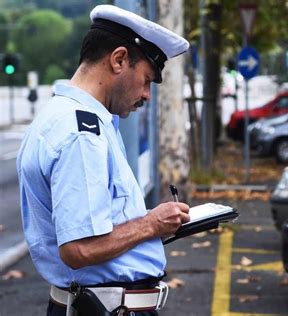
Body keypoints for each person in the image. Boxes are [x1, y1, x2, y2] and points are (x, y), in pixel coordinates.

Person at [16, 4, 190, 316]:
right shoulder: (81, 132)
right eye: (147, 79)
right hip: (109, 309)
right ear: (119, 59)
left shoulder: (61, 116)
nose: (147, 94)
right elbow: (79, 248)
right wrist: (152, 224)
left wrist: (150, 223)